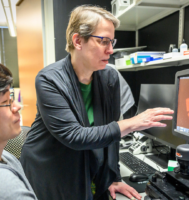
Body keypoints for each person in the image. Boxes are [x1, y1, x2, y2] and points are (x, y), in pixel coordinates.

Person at [20, 5, 174, 200]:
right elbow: (73, 136)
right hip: (50, 168)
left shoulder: (110, 77)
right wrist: (133, 122)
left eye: (112, 41)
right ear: (78, 41)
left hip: (85, 166)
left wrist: (114, 177)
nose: (111, 50)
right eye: (103, 41)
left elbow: (111, 136)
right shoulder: (50, 79)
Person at [0, 63, 38, 200]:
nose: (17, 106)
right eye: (7, 102)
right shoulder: (9, 189)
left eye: (12, 99)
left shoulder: (7, 156)